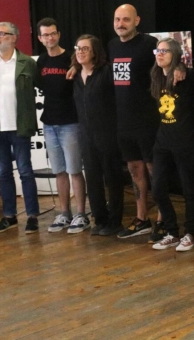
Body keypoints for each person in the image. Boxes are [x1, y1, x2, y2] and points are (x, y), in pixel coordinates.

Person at [0, 22, 40, 234]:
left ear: (14, 38)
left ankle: (32, 216)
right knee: (3, 173)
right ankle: (9, 216)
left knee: (25, 171)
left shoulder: (27, 63)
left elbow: (41, 87)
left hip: (19, 126)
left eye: (2, 34)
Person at [150, 39, 194, 252]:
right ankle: (172, 232)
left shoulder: (188, 76)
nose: (160, 54)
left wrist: (182, 67)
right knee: (157, 188)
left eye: (165, 50)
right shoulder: (156, 76)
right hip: (163, 141)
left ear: (175, 53)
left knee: (189, 189)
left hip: (186, 141)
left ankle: (190, 233)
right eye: (158, 50)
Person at [108, 4, 160, 238]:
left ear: (137, 20)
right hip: (122, 121)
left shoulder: (150, 44)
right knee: (134, 170)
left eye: (126, 19)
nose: (121, 24)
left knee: (154, 170)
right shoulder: (111, 46)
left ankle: (163, 217)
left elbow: (169, 67)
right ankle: (142, 218)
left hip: (148, 121)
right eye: (117, 19)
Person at [35, 18, 88, 234]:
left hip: (71, 122)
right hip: (49, 123)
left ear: (59, 34)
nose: (50, 38)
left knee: (74, 169)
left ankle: (81, 215)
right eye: (45, 35)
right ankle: (64, 213)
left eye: (53, 34)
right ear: (40, 38)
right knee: (59, 171)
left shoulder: (72, 58)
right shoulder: (40, 62)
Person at [72, 34, 126, 236]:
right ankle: (100, 219)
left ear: (95, 51)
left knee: (112, 178)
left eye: (85, 48)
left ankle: (115, 221)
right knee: (93, 178)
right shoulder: (76, 75)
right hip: (86, 135)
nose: (80, 51)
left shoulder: (107, 72)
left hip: (108, 133)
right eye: (78, 48)